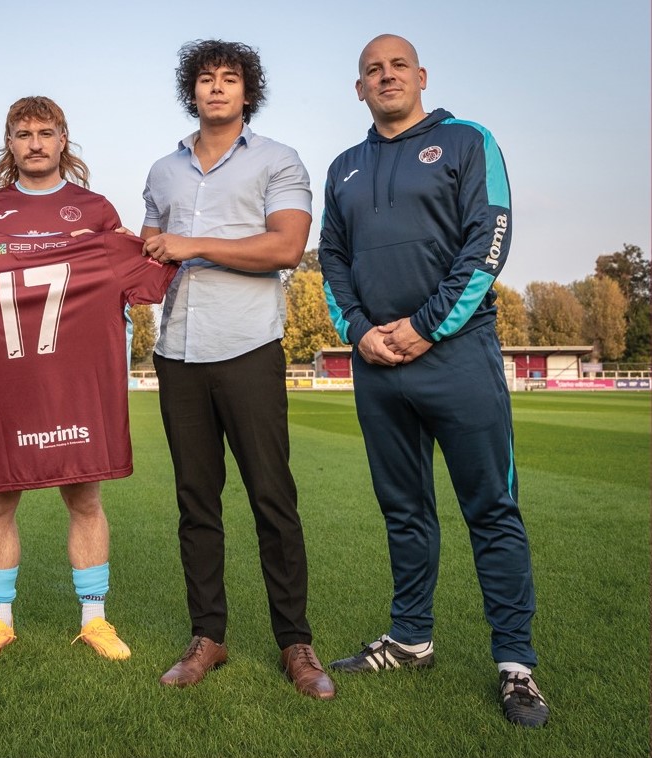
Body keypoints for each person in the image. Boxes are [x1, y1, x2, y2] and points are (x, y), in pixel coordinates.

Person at [318, 34, 549, 727]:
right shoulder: (345, 167)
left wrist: (425, 325)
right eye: (371, 70)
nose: (385, 77)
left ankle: (516, 665)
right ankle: (411, 638)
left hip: (457, 357)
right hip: (377, 365)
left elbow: (490, 240)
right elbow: (330, 257)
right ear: (358, 88)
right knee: (404, 509)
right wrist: (358, 331)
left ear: (420, 77)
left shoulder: (467, 141)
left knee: (492, 509)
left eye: (397, 67)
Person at [141, 40, 335, 700]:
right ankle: (208, 638)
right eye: (205, 79)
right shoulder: (162, 172)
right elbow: (148, 262)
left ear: (247, 92)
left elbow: (286, 246)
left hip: (249, 347)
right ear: (190, 91)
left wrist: (191, 244)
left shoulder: (279, 160)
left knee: (272, 501)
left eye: (230, 79)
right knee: (196, 504)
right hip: (177, 354)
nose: (217, 88)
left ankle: (296, 643)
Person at [0, 96, 160, 665]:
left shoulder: (95, 209)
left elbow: (144, 275)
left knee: (84, 495)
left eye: (45, 132)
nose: (34, 143)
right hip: (8, 385)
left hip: (72, 384)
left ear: (64, 139)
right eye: (22, 133)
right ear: (8, 143)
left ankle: (94, 618)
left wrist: (150, 247)